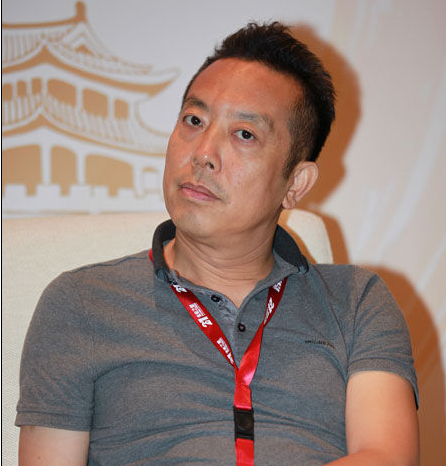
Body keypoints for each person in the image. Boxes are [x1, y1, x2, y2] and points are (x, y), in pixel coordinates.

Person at [16, 22, 419, 466]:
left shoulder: (356, 302)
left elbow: (386, 457)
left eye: (244, 134)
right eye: (194, 121)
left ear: (295, 183)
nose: (203, 153)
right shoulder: (81, 304)